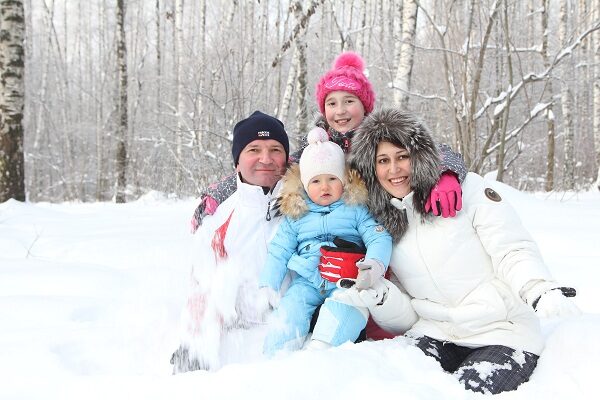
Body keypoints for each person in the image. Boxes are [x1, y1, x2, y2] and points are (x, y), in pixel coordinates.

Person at [333, 108, 579, 394]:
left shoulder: (468, 190)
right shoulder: (383, 222)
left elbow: (511, 249)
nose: (394, 169)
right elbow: (409, 316)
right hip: (435, 332)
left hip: (502, 333)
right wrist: (381, 296)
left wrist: (538, 288)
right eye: (383, 161)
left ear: (420, 156)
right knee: (385, 385)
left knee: (463, 393)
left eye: (402, 156)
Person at [190, 52, 466, 233]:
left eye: (349, 101)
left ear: (365, 105)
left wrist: (447, 174)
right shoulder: (317, 149)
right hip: (335, 234)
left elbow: (437, 150)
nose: (341, 111)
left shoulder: (385, 135)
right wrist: (217, 193)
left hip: (383, 232)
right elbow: (276, 168)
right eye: (332, 103)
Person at [171, 110, 291, 373]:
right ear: (237, 161)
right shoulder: (218, 221)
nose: (266, 158)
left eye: (275, 149)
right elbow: (202, 290)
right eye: (253, 149)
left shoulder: (306, 208)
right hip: (239, 350)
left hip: (292, 345)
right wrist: (193, 347)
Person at [259, 127, 392, 355]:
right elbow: (279, 250)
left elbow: (378, 236)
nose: (325, 186)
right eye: (316, 181)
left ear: (344, 179)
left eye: (332, 178)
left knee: (348, 305)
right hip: (307, 281)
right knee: (290, 310)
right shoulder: (296, 214)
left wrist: (374, 265)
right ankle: (276, 355)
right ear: (304, 184)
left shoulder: (356, 208)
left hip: (345, 279)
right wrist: (268, 286)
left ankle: (322, 350)